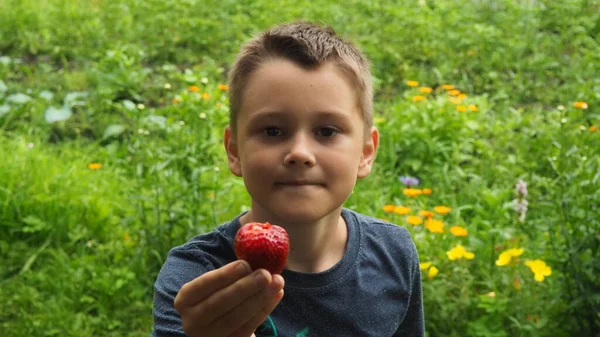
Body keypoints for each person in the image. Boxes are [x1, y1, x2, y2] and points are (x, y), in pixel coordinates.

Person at [151, 21, 425, 337]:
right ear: (235, 151)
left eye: (327, 131)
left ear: (365, 153)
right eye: (272, 131)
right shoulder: (197, 282)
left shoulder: (394, 253)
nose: (299, 153)